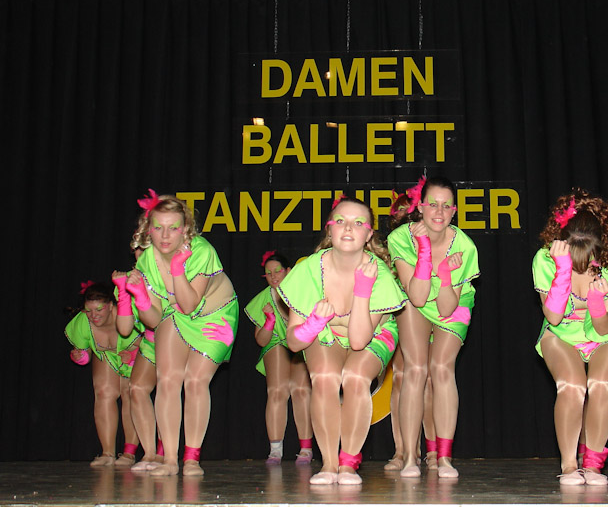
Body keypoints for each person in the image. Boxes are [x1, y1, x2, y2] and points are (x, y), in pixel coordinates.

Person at [283, 196, 405, 485]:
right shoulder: (308, 271)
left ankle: (348, 463)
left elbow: (360, 341)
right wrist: (314, 323)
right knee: (324, 377)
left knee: (354, 376)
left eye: (358, 223)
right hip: (327, 333)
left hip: (372, 334)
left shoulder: (378, 274)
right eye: (341, 221)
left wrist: (362, 291)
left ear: (369, 234)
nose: (349, 228)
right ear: (329, 228)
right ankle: (328, 464)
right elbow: (294, 343)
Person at [120, 189, 239, 476]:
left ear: (184, 229)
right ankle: (170, 460)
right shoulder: (146, 260)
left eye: (173, 228)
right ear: (148, 228)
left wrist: (177, 270)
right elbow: (153, 319)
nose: (165, 236)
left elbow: (188, 304)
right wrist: (141, 297)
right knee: (168, 380)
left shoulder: (201, 251)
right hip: (175, 314)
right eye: (158, 228)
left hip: (214, 316)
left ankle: (192, 459)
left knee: (196, 380)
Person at [531, 189, 608, 486]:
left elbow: (604, 328)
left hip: (607, 331)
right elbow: (554, 317)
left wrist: (596, 302)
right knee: (571, 386)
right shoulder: (546, 259)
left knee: (601, 383)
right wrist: (562, 272)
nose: (583, 263)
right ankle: (569, 465)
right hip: (561, 332)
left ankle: (593, 464)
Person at [387, 176, 480, 479]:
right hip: (416, 296)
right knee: (415, 369)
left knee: (441, 368)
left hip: (452, 300)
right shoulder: (401, 238)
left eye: (446, 206)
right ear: (421, 207)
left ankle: (444, 457)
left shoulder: (465, 247)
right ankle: (409, 458)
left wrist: (446, 275)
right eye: (433, 204)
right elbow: (417, 296)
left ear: (454, 211)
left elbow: (445, 308)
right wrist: (424, 251)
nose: (439, 212)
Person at [383, 192, 437, 473]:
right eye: (399, 212)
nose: (404, 215)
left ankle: (433, 449)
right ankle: (404, 450)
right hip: (401, 312)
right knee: (401, 379)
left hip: (432, 310)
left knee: (429, 379)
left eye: (410, 210)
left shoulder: (436, 238)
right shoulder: (391, 245)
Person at [244, 250, 313, 465]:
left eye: (278, 271)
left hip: (301, 342)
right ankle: (275, 450)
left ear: (288, 271)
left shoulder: (303, 292)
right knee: (276, 391)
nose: (273, 276)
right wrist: (269, 322)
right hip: (276, 342)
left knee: (301, 390)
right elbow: (261, 340)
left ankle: (306, 449)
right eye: (268, 273)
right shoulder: (264, 299)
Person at [65, 281, 142, 467]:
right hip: (106, 355)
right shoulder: (83, 322)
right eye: (88, 310)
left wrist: (133, 355)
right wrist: (80, 356)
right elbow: (85, 352)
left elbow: (153, 338)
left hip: (137, 353)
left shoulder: (128, 314)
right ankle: (108, 452)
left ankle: (129, 453)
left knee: (129, 393)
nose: (93, 315)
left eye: (99, 309)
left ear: (111, 306)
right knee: (103, 393)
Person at [114, 241, 164, 472]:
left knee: (167, 390)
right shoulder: (131, 281)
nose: (141, 263)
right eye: (137, 259)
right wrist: (124, 292)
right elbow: (125, 329)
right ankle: (150, 453)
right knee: (136, 389)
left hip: (178, 340)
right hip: (151, 342)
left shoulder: (169, 277)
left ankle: (164, 452)